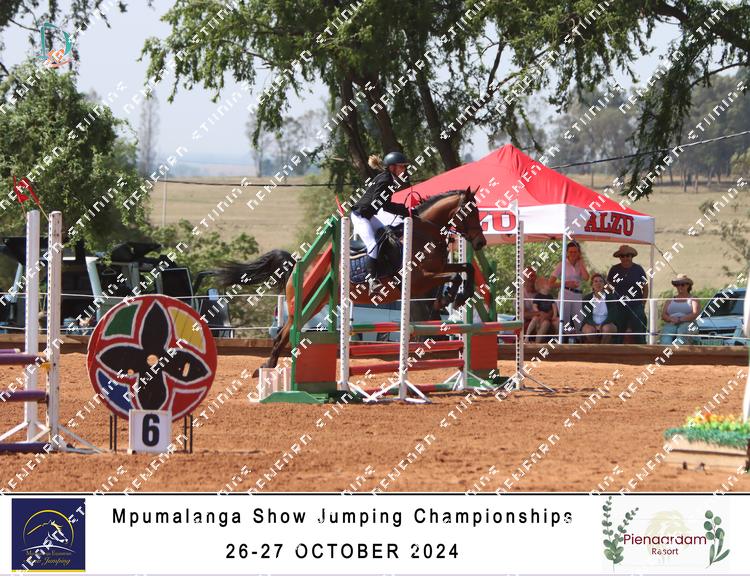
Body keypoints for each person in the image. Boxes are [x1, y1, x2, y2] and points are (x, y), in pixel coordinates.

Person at [351, 152, 411, 292]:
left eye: (404, 167)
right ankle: (372, 280)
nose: (404, 169)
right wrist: (404, 210)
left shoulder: (388, 178)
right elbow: (382, 204)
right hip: (360, 216)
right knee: (372, 244)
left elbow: (384, 204)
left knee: (390, 234)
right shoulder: (386, 180)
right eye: (401, 166)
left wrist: (406, 210)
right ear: (392, 167)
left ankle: (388, 269)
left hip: (370, 216)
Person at [607, 245, 649, 344]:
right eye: (622, 256)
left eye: (628, 255)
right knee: (618, 334)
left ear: (631, 256)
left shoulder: (638, 269)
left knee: (639, 332)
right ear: (619, 257)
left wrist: (642, 304)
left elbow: (645, 288)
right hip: (619, 306)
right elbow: (608, 288)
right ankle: (615, 352)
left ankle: (643, 351)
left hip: (636, 305)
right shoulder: (614, 269)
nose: (625, 258)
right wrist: (611, 303)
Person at [549, 240, 589, 338]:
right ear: (567, 252)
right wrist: (566, 283)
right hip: (565, 293)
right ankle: (565, 341)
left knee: (579, 320)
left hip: (577, 294)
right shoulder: (562, 264)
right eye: (571, 252)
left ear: (579, 253)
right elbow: (550, 283)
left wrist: (581, 263)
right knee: (564, 321)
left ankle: (579, 340)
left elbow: (586, 278)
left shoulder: (580, 264)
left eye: (575, 252)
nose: (573, 254)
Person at [660, 274, 700, 345]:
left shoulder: (693, 299)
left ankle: (677, 350)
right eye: (677, 285)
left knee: (682, 333)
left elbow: (695, 313)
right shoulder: (670, 300)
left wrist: (681, 319)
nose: (680, 287)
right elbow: (663, 315)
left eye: (682, 284)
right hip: (671, 323)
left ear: (688, 285)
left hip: (689, 324)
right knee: (665, 336)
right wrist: (670, 319)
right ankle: (667, 350)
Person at [581, 273, 618, 343]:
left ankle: (602, 348)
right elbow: (586, 316)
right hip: (591, 323)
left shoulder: (611, 297)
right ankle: (596, 347)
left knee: (607, 329)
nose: (598, 283)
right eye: (595, 281)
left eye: (601, 281)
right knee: (589, 331)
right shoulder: (587, 298)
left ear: (604, 284)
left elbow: (613, 315)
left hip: (608, 323)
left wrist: (602, 325)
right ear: (592, 285)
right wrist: (595, 325)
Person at [525, 277, 559, 343]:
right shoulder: (538, 296)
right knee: (535, 319)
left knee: (547, 323)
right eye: (547, 283)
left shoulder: (550, 297)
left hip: (547, 317)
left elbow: (554, 307)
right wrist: (539, 313)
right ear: (542, 287)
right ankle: (527, 337)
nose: (550, 284)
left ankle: (538, 341)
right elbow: (534, 306)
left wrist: (554, 315)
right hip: (539, 316)